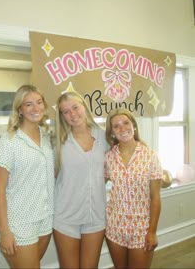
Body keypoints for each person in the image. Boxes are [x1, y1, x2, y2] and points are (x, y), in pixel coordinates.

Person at [0, 85, 55, 269]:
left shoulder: (45, 136)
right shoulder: (9, 141)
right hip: (19, 222)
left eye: (39, 102)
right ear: (20, 109)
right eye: (28, 104)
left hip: (45, 217)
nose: (36, 108)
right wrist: (4, 232)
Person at [53, 91, 109, 269]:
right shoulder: (57, 142)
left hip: (96, 215)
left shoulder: (104, 138)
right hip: (66, 216)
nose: (72, 114)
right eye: (66, 111)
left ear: (84, 106)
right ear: (62, 116)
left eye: (75, 107)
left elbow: (115, 164)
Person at [104, 108, 162, 269]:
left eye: (126, 123)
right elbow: (94, 185)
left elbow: (155, 197)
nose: (122, 129)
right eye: (116, 126)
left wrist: (152, 231)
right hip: (115, 225)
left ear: (133, 125)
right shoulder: (108, 157)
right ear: (112, 132)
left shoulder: (150, 156)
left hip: (141, 228)